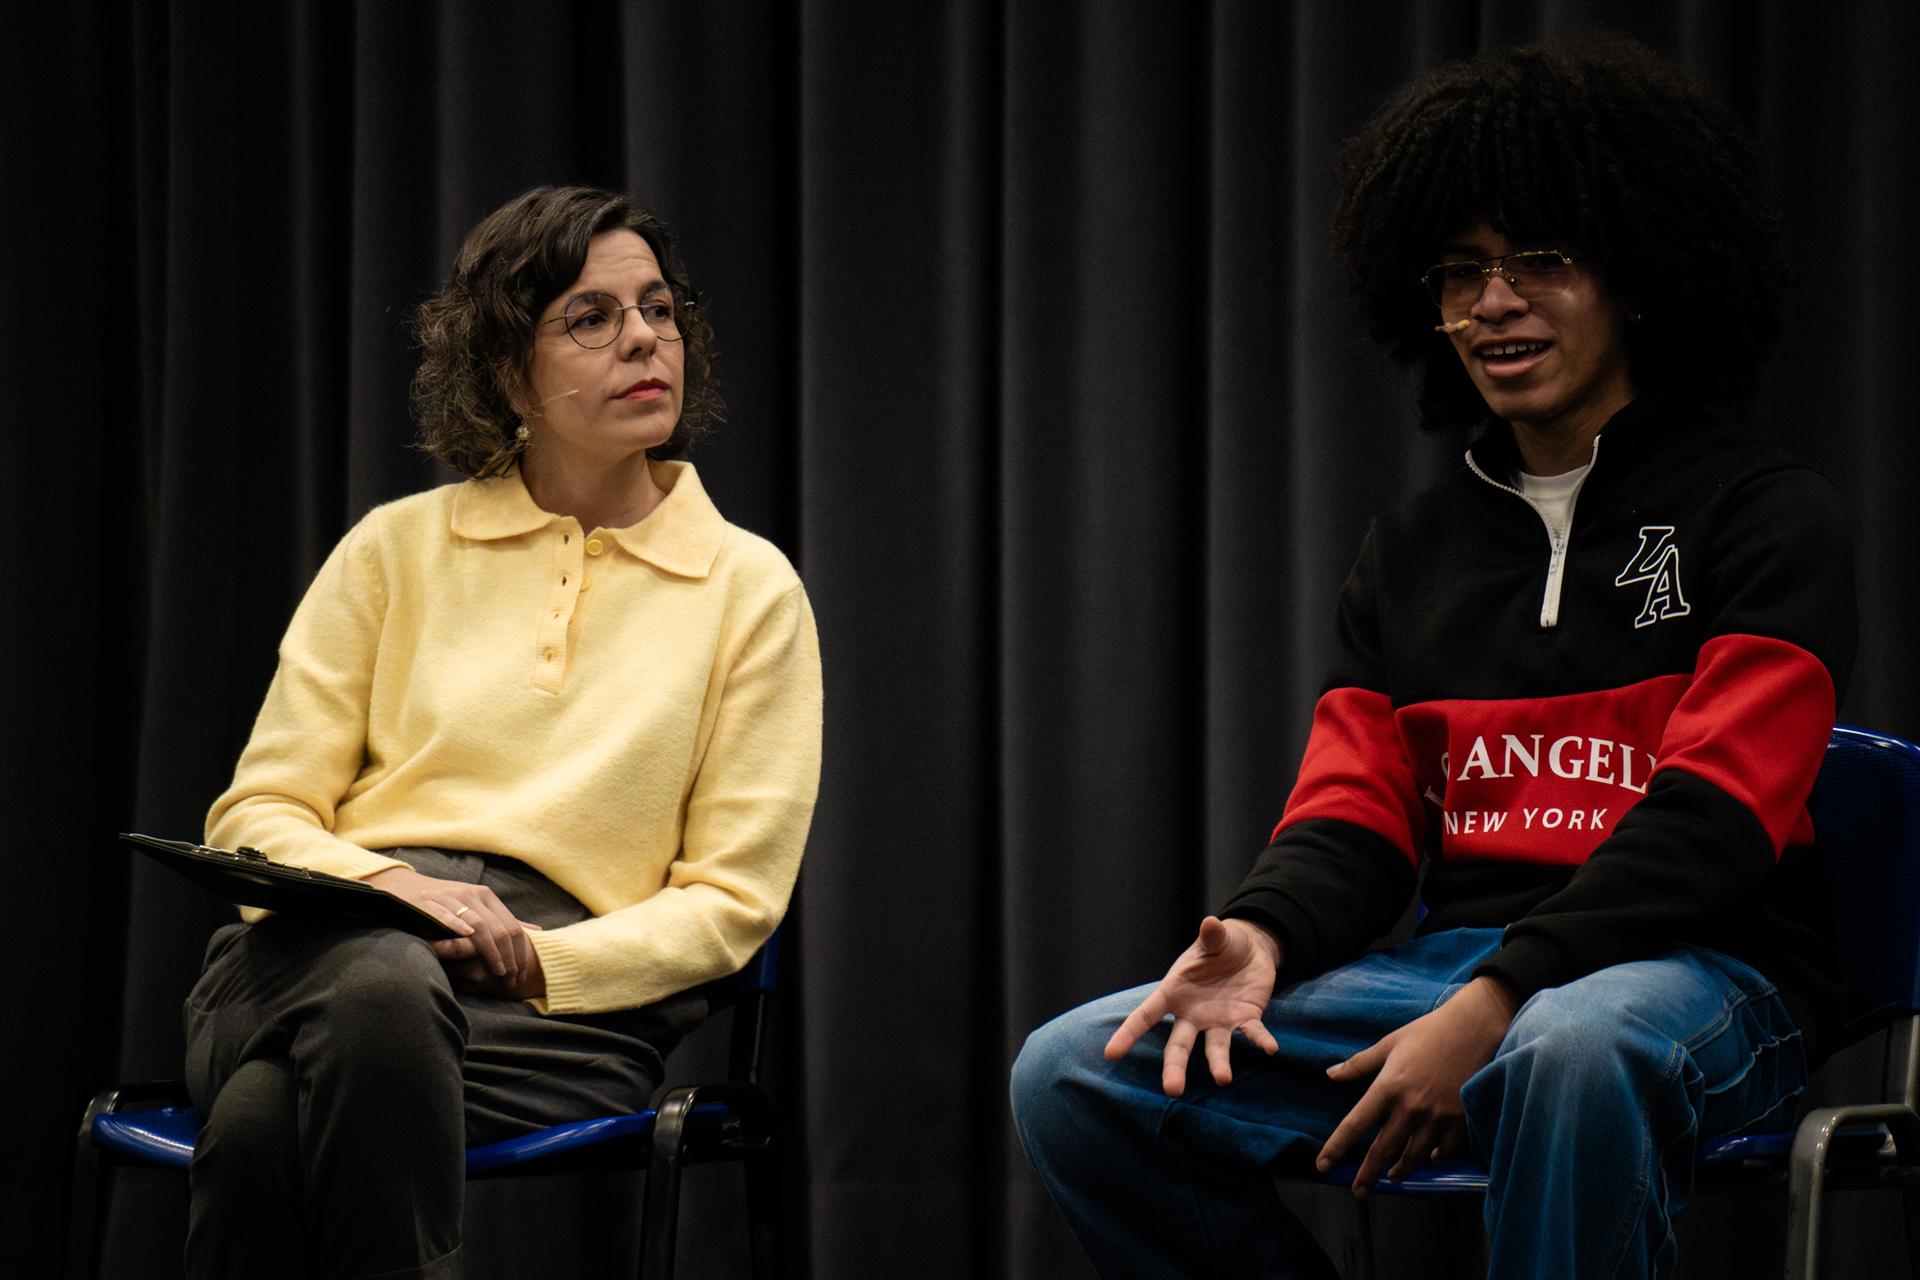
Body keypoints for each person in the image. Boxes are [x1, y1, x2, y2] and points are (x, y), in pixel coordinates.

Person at [1011, 35, 1853, 1280]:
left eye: (1540, 261)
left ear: (1637, 275)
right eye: (1461, 271)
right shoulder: (1411, 551)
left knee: (1573, 1045)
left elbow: (1717, 824)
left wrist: (1499, 1000)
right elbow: (1353, 814)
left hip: (1708, 970)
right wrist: (1263, 934)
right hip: (1460, 973)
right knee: (1078, 1071)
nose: (1492, 302)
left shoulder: (1764, 513)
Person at [182, 185, 822, 1280]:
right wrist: (392, 888)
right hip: (310, 953)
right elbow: (260, 811)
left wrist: (540, 960)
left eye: (658, 308)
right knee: (379, 984)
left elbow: (730, 900)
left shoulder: (749, 589)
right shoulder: (393, 549)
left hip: (556, 1018)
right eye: (592, 317)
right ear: (508, 370)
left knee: (256, 1126)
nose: (645, 339)